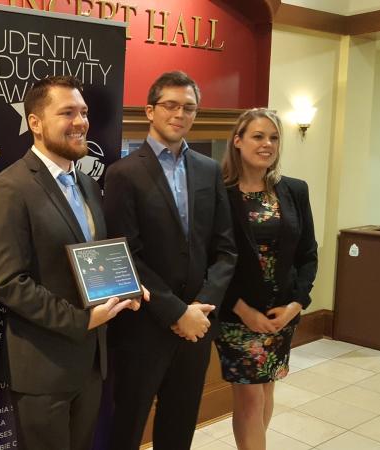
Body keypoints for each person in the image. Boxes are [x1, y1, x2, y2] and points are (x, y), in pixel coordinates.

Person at [0, 75, 144, 450]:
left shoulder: (87, 184)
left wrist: (127, 286)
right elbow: (9, 283)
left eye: (83, 112)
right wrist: (82, 320)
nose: (81, 122)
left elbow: (95, 258)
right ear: (35, 123)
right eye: (67, 112)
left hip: (90, 364)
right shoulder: (10, 188)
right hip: (43, 371)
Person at [103, 71, 238, 450]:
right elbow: (125, 255)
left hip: (197, 327)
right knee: (127, 428)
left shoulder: (209, 170)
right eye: (171, 105)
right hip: (142, 328)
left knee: (179, 428)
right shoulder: (123, 173)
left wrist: (200, 309)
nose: (180, 114)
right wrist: (176, 311)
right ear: (150, 111)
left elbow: (226, 249)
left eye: (189, 108)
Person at [214, 108, 317, 450]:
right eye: (258, 136)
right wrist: (242, 309)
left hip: (281, 316)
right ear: (238, 141)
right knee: (250, 398)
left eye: (273, 138)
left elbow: (308, 254)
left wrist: (296, 305)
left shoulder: (295, 190)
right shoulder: (218, 193)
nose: (267, 144)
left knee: (267, 388)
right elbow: (210, 261)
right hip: (237, 317)